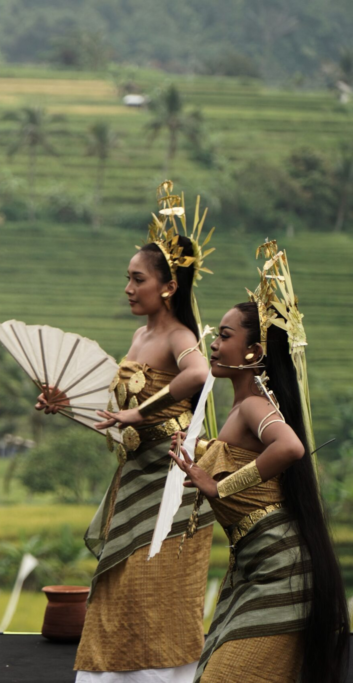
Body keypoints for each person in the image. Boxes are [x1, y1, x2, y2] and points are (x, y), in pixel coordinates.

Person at [36, 183, 214, 682]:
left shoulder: (180, 336)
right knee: (120, 587)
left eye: (138, 279)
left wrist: (144, 414)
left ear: (169, 286)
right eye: (128, 279)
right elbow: (120, 413)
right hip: (135, 473)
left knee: (156, 587)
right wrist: (67, 404)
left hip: (171, 478)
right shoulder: (140, 335)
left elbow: (199, 375)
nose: (129, 288)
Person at [170, 240, 349, 683]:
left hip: (279, 570)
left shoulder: (254, 405)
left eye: (225, 337)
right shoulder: (239, 410)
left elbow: (290, 449)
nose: (213, 344)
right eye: (215, 336)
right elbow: (237, 454)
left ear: (254, 352)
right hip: (254, 569)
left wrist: (219, 487)